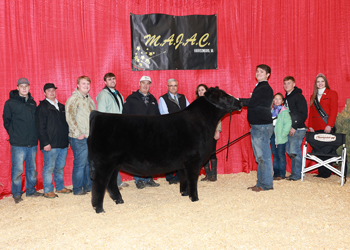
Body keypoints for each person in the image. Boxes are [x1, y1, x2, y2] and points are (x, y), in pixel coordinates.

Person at [3, 77, 44, 203]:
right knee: (18, 169)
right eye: (22, 86)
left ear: (29, 87)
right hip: (18, 143)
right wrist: (14, 135)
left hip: (31, 142)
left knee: (32, 168)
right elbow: (6, 122)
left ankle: (31, 190)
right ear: (17, 88)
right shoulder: (10, 103)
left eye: (26, 86)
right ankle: (16, 193)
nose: (24, 88)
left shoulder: (33, 103)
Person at [240, 64, 274, 192]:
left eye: (262, 72)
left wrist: (237, 101)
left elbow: (252, 102)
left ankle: (266, 184)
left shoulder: (264, 88)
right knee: (260, 157)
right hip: (259, 125)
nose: (258, 73)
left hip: (261, 126)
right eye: (257, 71)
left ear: (267, 75)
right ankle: (261, 183)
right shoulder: (261, 87)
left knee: (263, 157)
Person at [123, 76, 160, 189]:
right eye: (143, 83)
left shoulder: (153, 99)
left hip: (151, 134)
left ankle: (149, 179)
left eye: (148, 83)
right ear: (139, 84)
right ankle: (139, 180)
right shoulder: (131, 98)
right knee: (137, 157)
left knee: (150, 157)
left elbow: (158, 117)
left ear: (150, 85)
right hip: (136, 133)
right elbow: (124, 116)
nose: (145, 85)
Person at [35, 83, 72, 198]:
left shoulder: (61, 107)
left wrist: (67, 140)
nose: (51, 92)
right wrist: (45, 142)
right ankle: (48, 189)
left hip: (62, 142)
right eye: (49, 91)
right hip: (50, 144)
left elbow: (66, 125)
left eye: (53, 90)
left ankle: (60, 187)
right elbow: (40, 127)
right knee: (49, 167)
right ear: (45, 93)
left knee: (60, 166)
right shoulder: (42, 107)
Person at [96, 72, 128, 189]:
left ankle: (117, 181)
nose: (112, 81)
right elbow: (101, 114)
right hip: (109, 131)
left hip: (118, 130)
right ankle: (109, 183)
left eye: (113, 79)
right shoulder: (103, 95)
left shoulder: (119, 94)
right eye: (109, 79)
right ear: (105, 82)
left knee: (116, 158)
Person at [65, 76, 96, 195]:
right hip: (79, 137)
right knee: (80, 163)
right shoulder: (74, 99)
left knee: (88, 162)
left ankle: (88, 186)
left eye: (88, 83)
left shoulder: (89, 99)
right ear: (78, 85)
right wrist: (78, 133)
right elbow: (70, 117)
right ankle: (77, 189)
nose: (86, 86)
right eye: (83, 83)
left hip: (89, 136)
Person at [158, 78, 190, 184]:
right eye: (171, 85)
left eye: (175, 85)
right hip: (170, 130)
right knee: (170, 154)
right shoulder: (163, 98)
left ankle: (179, 175)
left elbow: (189, 111)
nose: (173, 87)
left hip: (183, 130)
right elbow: (165, 116)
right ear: (167, 87)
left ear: (177, 87)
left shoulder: (183, 97)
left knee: (181, 154)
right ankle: (170, 177)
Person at [308, 73, 338, 178]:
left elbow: (334, 111)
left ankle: (327, 173)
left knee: (327, 150)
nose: (320, 83)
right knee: (319, 150)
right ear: (315, 84)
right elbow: (311, 113)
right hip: (316, 127)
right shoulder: (313, 96)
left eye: (322, 81)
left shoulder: (332, 93)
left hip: (326, 126)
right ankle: (321, 172)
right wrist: (310, 126)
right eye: (318, 81)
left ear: (325, 82)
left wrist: (330, 125)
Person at [283, 76, 308, 181]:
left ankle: (298, 174)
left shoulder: (298, 96)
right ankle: (295, 173)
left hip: (298, 128)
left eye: (289, 83)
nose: (286, 85)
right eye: (285, 83)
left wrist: (294, 126)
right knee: (290, 151)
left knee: (294, 151)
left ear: (294, 84)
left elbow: (303, 114)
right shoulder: (287, 97)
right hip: (290, 128)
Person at [196, 84, 222, 182]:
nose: (201, 92)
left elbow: (218, 118)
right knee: (204, 153)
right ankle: (208, 174)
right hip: (201, 132)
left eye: (202, 90)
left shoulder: (212, 103)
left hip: (211, 131)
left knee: (212, 152)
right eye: (199, 90)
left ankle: (214, 176)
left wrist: (217, 130)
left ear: (206, 91)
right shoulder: (196, 103)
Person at [270, 93, 292, 180]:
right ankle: (276, 174)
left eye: (279, 99)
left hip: (281, 137)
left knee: (281, 155)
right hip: (273, 136)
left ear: (282, 101)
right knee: (275, 155)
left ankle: (282, 174)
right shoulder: (271, 111)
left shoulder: (284, 111)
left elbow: (288, 124)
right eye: (275, 99)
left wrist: (283, 134)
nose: (277, 101)